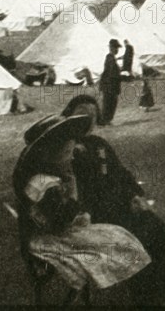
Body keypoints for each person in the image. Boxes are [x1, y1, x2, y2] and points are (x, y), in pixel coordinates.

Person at [12, 115, 151, 298]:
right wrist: (73, 193)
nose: (71, 158)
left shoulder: (53, 179)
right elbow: (59, 221)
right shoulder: (44, 184)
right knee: (112, 244)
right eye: (67, 153)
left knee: (117, 236)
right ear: (51, 157)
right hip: (47, 238)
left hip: (55, 229)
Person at [62, 97, 165, 309]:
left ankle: (160, 293)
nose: (89, 120)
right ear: (70, 116)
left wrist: (134, 194)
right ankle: (145, 299)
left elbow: (122, 173)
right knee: (138, 241)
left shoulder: (99, 144)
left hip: (119, 206)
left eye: (93, 116)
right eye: (83, 115)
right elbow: (70, 191)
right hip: (95, 214)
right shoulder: (64, 150)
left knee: (158, 231)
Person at [100, 39, 122, 125]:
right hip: (110, 85)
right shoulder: (110, 58)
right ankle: (105, 121)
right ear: (111, 48)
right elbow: (112, 73)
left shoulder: (111, 58)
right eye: (116, 48)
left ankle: (107, 121)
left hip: (109, 85)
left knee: (110, 103)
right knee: (109, 103)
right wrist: (123, 77)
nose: (117, 50)